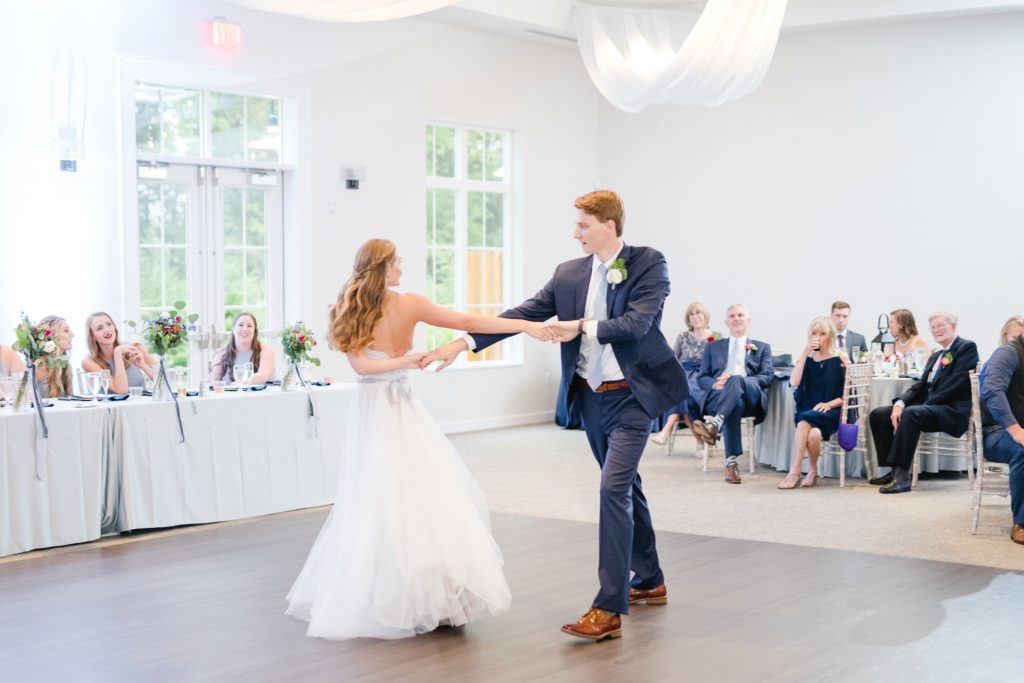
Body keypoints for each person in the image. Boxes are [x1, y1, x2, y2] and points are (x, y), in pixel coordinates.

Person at [425, 189, 688, 642]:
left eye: (583, 225)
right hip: (591, 398)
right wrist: (462, 343)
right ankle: (649, 578)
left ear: (608, 225)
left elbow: (636, 324)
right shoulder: (568, 273)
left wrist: (580, 326)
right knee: (625, 485)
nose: (575, 232)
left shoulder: (648, 262)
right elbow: (522, 314)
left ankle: (608, 608)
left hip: (633, 397)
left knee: (612, 488)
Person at [286, 239, 551, 640]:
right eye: (397, 263)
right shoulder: (356, 306)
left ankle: (439, 596)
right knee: (381, 495)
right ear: (382, 268)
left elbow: (469, 322)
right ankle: (398, 593)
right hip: (378, 409)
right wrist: (405, 360)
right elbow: (361, 365)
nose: (402, 270)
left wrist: (524, 326)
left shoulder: (403, 303)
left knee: (420, 491)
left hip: (394, 405)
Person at [868, 311, 979, 493]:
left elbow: (956, 384)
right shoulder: (936, 356)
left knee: (912, 413)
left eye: (940, 326)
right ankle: (893, 470)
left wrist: (924, 405)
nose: (936, 330)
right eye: (933, 327)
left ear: (953, 326)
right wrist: (900, 403)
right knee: (879, 415)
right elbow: (920, 386)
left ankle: (902, 477)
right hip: (932, 408)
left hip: (951, 410)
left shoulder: (966, 348)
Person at [691, 304, 773, 485]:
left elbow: (766, 376)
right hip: (719, 395)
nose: (736, 319)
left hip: (750, 395)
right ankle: (731, 464)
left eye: (740, 315)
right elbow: (702, 378)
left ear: (748, 321)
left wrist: (739, 381)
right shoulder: (713, 347)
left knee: (735, 380)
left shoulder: (762, 347)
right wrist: (716, 384)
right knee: (733, 401)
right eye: (732, 316)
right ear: (726, 322)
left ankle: (715, 424)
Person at [778, 317, 847, 489]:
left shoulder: (840, 357)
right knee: (813, 434)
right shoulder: (807, 359)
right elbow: (794, 382)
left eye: (822, 334)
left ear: (830, 336)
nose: (818, 337)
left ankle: (794, 471)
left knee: (804, 420)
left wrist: (829, 404)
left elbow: (848, 394)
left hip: (832, 410)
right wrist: (804, 353)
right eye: (814, 333)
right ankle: (813, 471)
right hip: (810, 409)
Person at [650, 301, 718, 456]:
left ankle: (666, 431)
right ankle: (700, 443)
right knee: (684, 397)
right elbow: (674, 360)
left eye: (698, 313)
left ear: (705, 315)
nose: (695, 317)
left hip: (703, 378)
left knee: (683, 396)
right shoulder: (683, 336)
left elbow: (718, 363)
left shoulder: (715, 337)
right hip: (684, 375)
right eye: (691, 314)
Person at [979, 329, 1024, 545]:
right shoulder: (1008, 353)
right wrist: (1016, 431)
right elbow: (992, 391)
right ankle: (1021, 523)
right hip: (996, 431)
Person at [82, 312, 155, 394]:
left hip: (141, 402)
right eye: (99, 328)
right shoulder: (88, 362)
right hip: (109, 403)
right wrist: (117, 353)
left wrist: (143, 366)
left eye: (109, 324)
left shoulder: (135, 348)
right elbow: (121, 390)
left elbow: (163, 382)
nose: (107, 330)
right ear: (93, 337)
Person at [209, 312, 275, 385]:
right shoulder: (221, 354)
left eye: (249, 326)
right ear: (233, 329)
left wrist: (238, 384)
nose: (244, 329)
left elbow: (262, 377)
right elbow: (213, 384)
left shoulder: (265, 350)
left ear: (254, 331)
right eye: (240, 325)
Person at [33, 315, 74, 398]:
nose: (73, 334)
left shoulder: (64, 363)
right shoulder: (40, 365)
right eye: (66, 330)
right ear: (51, 336)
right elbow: (23, 398)